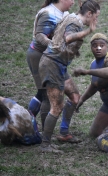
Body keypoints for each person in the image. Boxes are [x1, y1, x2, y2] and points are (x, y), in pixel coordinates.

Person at [38, 0, 100, 152]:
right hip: (52, 64)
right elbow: (68, 38)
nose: (96, 21)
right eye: (96, 17)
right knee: (56, 106)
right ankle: (45, 144)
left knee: (74, 97)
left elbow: (60, 39)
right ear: (89, 14)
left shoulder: (70, 17)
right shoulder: (76, 23)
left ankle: (63, 133)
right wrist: (88, 32)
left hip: (58, 64)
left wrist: (72, 51)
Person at [26, 0, 74, 133]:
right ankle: (41, 132)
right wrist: (55, 45)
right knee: (46, 95)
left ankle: (28, 120)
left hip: (53, 57)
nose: (74, 1)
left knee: (43, 93)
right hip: (39, 56)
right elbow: (40, 35)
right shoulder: (48, 13)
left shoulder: (64, 13)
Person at [72, 33, 108, 138]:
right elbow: (95, 85)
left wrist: (87, 71)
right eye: (95, 46)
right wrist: (82, 100)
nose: (98, 48)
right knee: (95, 133)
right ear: (91, 48)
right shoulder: (94, 64)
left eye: (102, 45)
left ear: (107, 47)